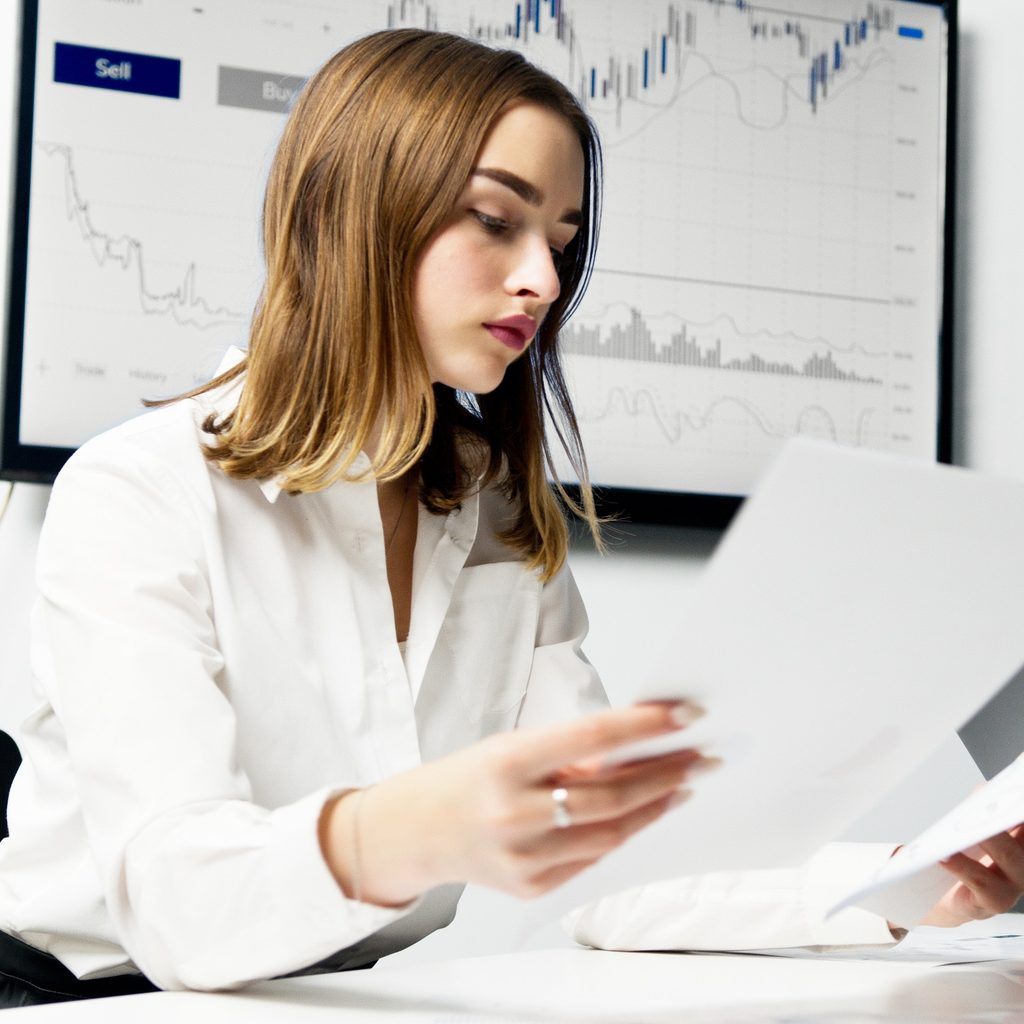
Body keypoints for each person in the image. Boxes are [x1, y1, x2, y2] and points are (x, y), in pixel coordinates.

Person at [0, 27, 1020, 1007]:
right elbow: (181, 909)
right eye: (495, 220)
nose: (543, 278)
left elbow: (610, 864)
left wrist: (901, 882)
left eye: (560, 241)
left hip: (336, 1000)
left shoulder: (491, 504)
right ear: (356, 212)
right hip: (92, 1002)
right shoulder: (139, 491)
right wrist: (412, 828)